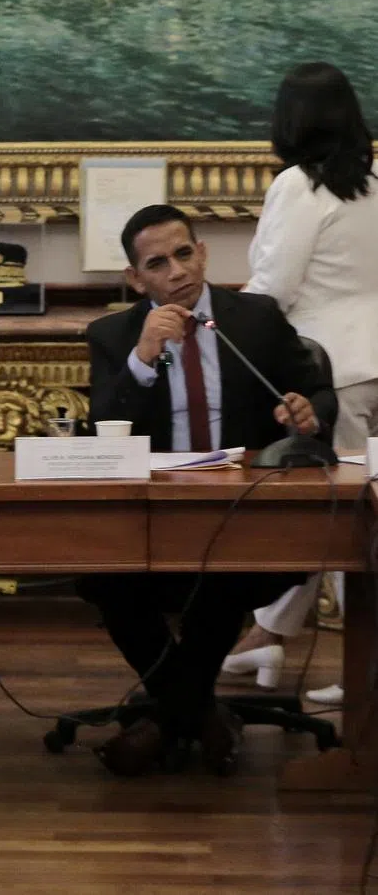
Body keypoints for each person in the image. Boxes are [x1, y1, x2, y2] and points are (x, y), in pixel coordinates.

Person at [79, 204, 336, 777]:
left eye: (184, 253)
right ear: (135, 279)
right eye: (157, 263)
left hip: (244, 516)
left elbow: (318, 392)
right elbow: (102, 425)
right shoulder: (112, 334)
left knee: (223, 580)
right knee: (105, 581)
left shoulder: (257, 319)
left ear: (203, 252)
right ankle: (199, 714)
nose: (176, 271)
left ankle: (167, 721)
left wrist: (306, 412)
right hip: (148, 519)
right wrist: (144, 358)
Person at [222, 62, 378, 705]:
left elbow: (275, 289)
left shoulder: (297, 186)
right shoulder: (374, 181)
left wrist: (221, 324)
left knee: (339, 520)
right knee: (342, 511)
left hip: (325, 371)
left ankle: (366, 673)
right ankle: (266, 636)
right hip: (374, 362)